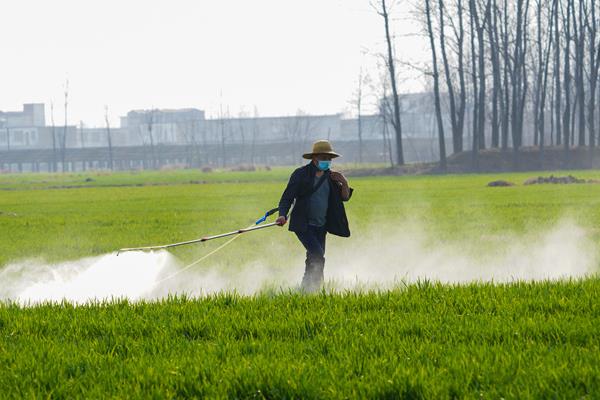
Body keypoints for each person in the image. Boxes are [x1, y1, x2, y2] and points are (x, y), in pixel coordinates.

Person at [276, 140, 353, 292]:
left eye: (329, 158)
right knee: (317, 255)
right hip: (304, 225)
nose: (327, 161)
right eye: (324, 158)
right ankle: (312, 288)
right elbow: (287, 198)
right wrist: (282, 215)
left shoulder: (332, 177)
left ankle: (309, 289)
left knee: (315, 257)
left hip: (322, 225)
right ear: (315, 158)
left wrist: (344, 182)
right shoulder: (300, 174)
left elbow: (345, 197)